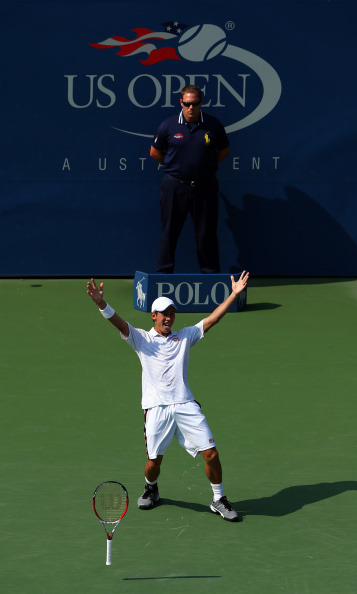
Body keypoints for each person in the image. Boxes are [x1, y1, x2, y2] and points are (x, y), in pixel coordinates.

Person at [87, 271, 249, 522]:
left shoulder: (184, 336)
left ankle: (218, 499)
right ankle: (151, 488)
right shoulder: (141, 339)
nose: (169, 318)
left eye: (172, 313)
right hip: (156, 409)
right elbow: (119, 323)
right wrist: (101, 304)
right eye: (164, 313)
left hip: (185, 405)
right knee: (154, 462)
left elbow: (212, 319)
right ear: (154, 316)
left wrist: (234, 294)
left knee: (212, 454)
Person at [150, 84, 230, 274]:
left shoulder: (213, 125)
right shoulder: (167, 125)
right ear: (181, 103)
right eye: (186, 104)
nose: (190, 108)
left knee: (206, 235)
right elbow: (155, 152)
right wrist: (174, 168)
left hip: (205, 187)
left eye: (194, 104)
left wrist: (205, 168)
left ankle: (211, 279)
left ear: (201, 103)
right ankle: (163, 278)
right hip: (174, 187)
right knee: (169, 233)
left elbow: (224, 151)